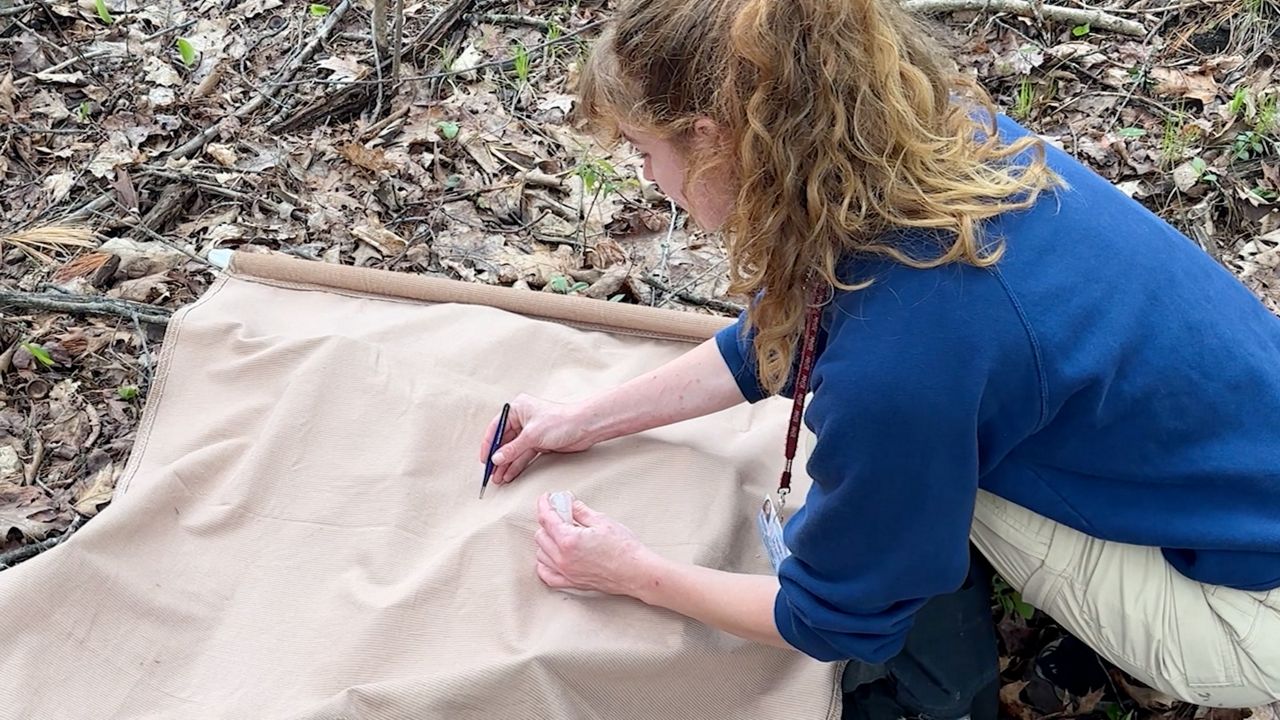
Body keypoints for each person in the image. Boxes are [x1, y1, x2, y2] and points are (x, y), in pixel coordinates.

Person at [479, 0, 1280, 714]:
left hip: (1253, 622)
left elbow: (828, 617)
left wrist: (629, 570)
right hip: (1248, 481)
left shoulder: (898, 360)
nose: (648, 177)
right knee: (927, 437)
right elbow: (790, 329)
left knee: (906, 479)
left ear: (712, 140)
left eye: (641, 149)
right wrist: (583, 419)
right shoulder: (944, 138)